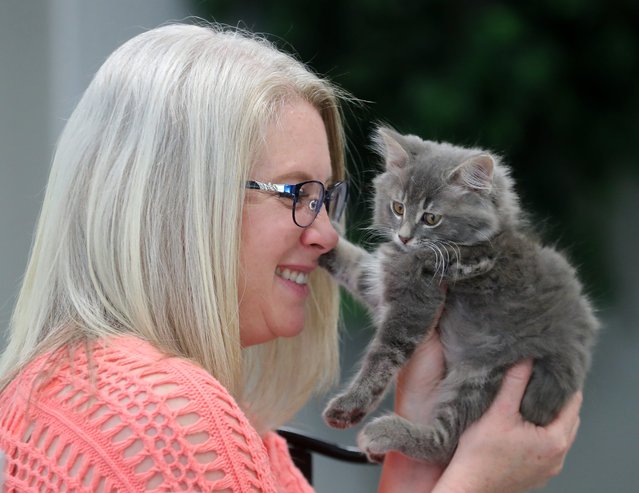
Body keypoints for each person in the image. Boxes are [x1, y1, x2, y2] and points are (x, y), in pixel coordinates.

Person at [0, 22, 581, 492]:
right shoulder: (165, 419)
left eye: (328, 197)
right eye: (297, 194)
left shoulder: (50, 392)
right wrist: (477, 484)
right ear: (181, 200)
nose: (328, 234)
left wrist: (415, 446)